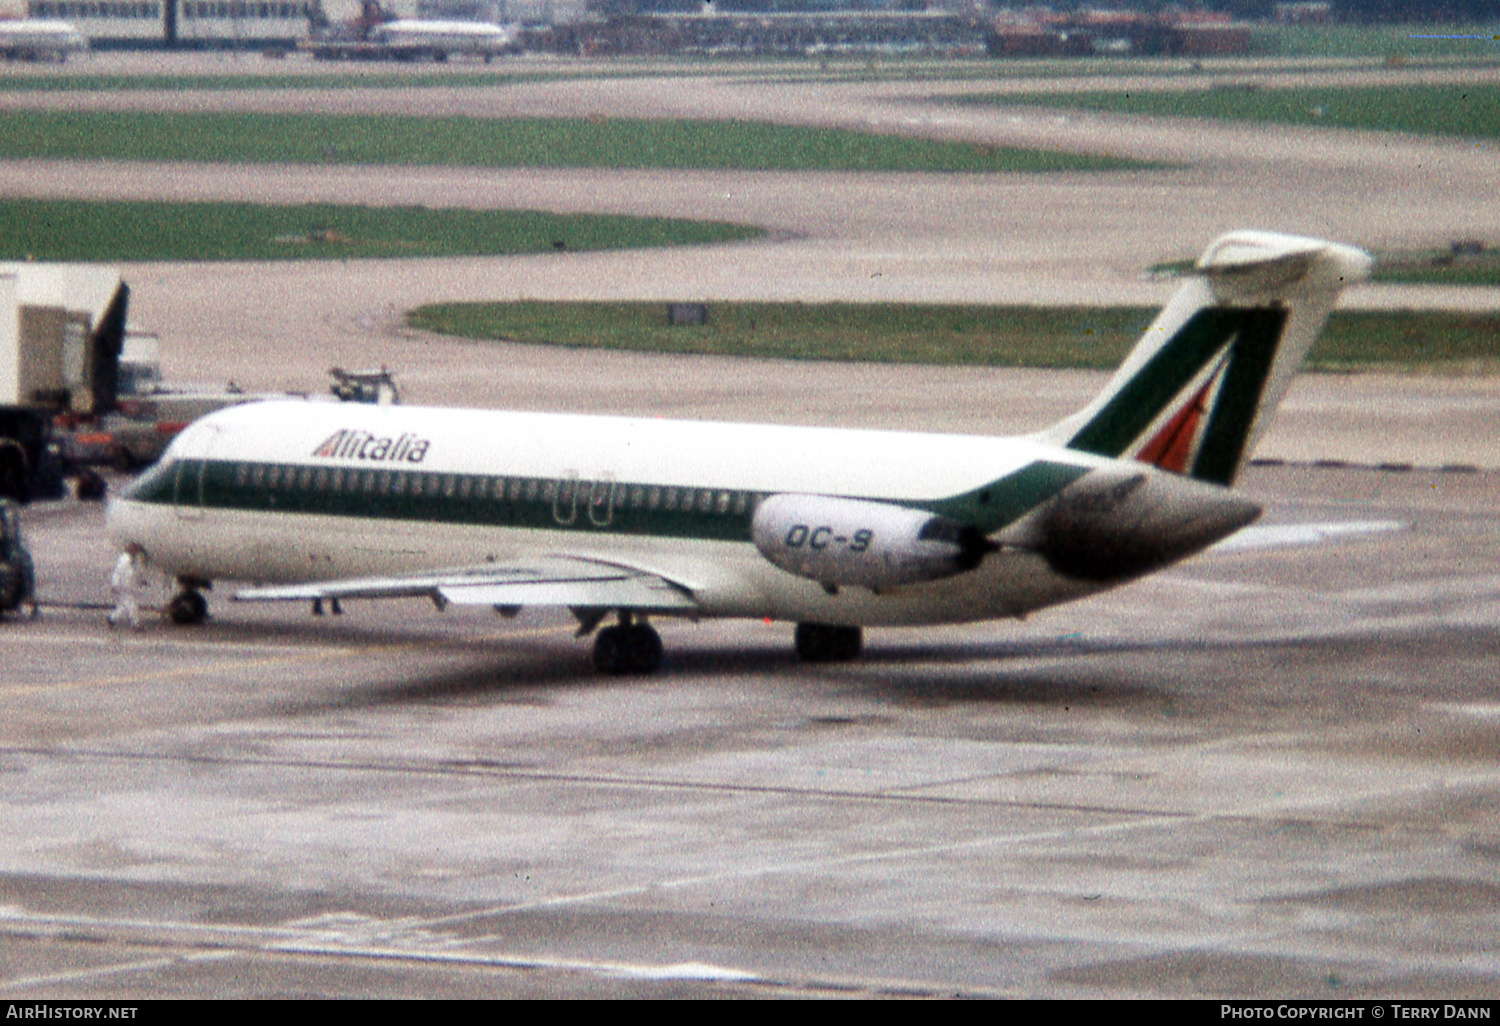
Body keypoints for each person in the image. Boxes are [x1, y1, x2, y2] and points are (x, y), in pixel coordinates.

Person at [108, 543, 147, 630]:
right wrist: (115, 585)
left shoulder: (134, 560)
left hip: (130, 586)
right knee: (132, 604)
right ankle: (136, 623)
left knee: (125, 605)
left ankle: (112, 618)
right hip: (124, 586)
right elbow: (118, 572)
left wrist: (141, 581)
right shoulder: (124, 560)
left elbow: (137, 572)